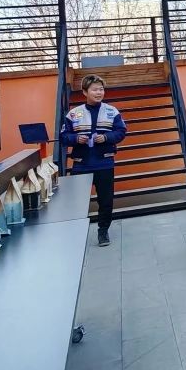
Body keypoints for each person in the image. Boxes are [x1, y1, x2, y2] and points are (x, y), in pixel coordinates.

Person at [61, 74, 128, 247]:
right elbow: (63, 136)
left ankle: (103, 231)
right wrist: (76, 139)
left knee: (106, 200)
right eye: (95, 90)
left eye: (101, 89)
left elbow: (121, 132)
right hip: (81, 164)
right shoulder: (73, 113)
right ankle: (76, 233)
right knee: (77, 202)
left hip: (104, 163)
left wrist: (106, 137)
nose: (99, 93)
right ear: (85, 92)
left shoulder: (112, 111)